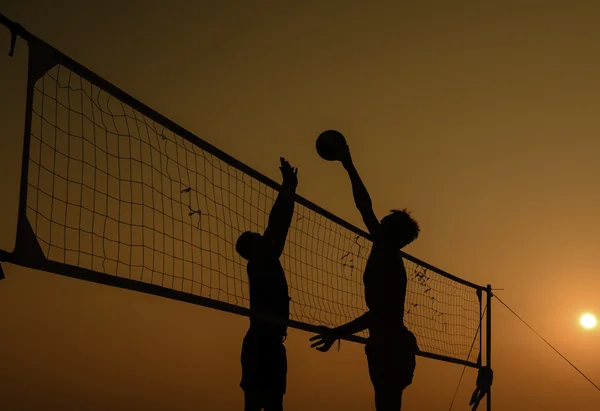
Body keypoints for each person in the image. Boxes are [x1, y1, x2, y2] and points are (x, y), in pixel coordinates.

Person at [309, 143, 420, 411]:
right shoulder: (386, 252)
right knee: (387, 404)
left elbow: (378, 314)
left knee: (387, 403)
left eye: (384, 221)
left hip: (390, 345)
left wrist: (337, 332)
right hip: (390, 344)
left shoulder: (387, 257)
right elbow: (365, 209)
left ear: (391, 232)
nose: (377, 221)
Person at [236, 157, 298, 411]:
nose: (260, 234)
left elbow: (279, 228)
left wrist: (290, 190)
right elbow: (275, 226)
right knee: (255, 403)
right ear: (251, 249)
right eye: (255, 236)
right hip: (260, 342)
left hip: (271, 342)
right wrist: (287, 187)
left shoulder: (268, 259)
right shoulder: (260, 263)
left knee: (274, 403)